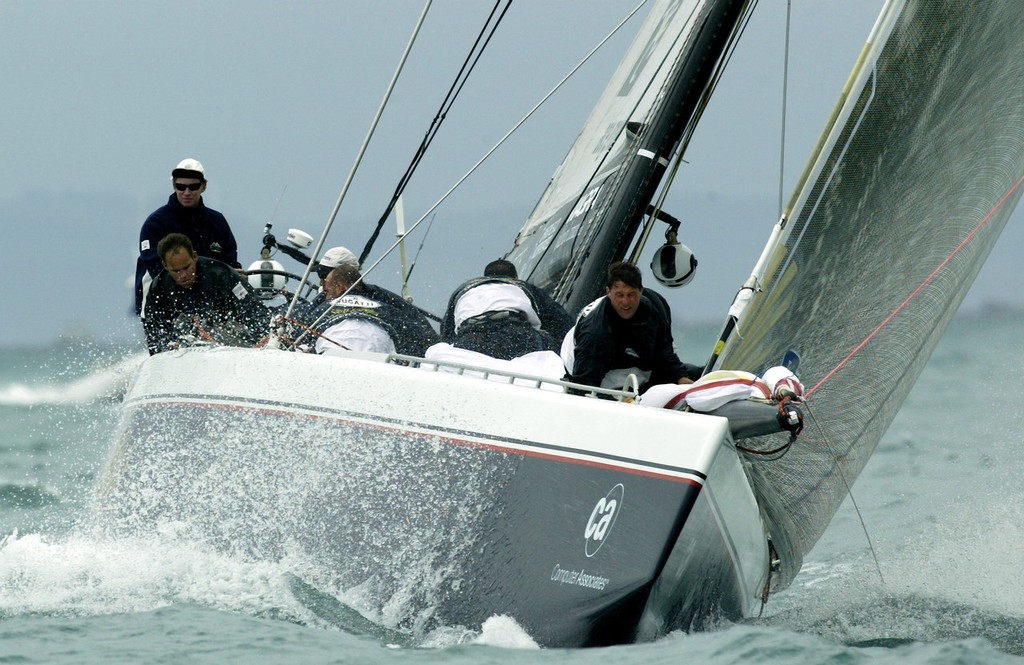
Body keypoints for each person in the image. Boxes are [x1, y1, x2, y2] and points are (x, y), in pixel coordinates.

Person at [564, 261, 701, 393]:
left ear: (641, 291)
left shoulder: (654, 309)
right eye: (620, 295)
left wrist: (680, 377)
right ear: (608, 292)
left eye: (631, 295)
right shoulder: (595, 332)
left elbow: (665, 351)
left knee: (695, 374)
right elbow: (582, 387)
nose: (626, 302)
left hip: (638, 366)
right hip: (594, 372)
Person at [135, 158, 241, 316]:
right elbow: (155, 269)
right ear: (174, 186)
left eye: (193, 187)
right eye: (181, 186)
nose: (187, 192)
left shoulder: (217, 221)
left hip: (209, 301)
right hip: (162, 300)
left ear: (203, 186)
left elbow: (230, 263)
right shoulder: (155, 223)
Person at [143, 233, 270, 355]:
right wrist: (165, 348)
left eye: (187, 267)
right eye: (176, 271)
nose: (183, 276)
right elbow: (153, 332)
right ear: (165, 266)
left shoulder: (223, 275)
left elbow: (254, 310)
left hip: (233, 340)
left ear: (194, 256)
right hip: (187, 348)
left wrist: (263, 339)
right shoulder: (158, 289)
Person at [308, 246, 439, 354]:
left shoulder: (321, 307)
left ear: (340, 284)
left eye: (325, 276)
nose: (322, 283)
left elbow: (300, 323)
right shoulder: (386, 305)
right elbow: (422, 334)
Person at [440, 259, 574, 361]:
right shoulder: (522, 287)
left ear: (485, 277)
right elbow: (560, 320)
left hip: (471, 338)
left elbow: (447, 333)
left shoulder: (463, 291)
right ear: (515, 277)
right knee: (557, 351)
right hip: (515, 334)